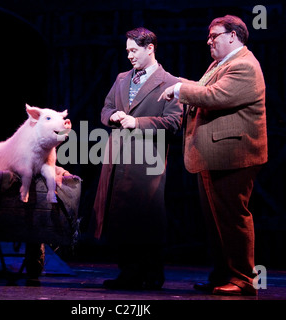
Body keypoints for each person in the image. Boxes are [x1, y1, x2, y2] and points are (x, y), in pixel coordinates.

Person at [158, 15, 268, 296]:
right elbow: (203, 86)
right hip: (214, 154)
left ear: (233, 35)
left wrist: (180, 89)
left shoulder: (244, 65)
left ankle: (244, 279)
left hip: (233, 156)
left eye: (214, 35)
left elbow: (215, 96)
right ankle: (222, 273)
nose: (209, 40)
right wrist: (171, 80)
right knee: (216, 220)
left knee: (233, 218)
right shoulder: (221, 64)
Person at [91, 27, 183, 290]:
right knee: (119, 214)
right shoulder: (122, 79)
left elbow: (174, 122)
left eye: (134, 50)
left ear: (150, 48)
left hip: (147, 158)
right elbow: (106, 107)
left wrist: (137, 122)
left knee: (146, 215)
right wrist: (112, 117)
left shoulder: (169, 82)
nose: (129, 55)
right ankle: (128, 272)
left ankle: (152, 273)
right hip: (118, 155)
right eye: (127, 50)